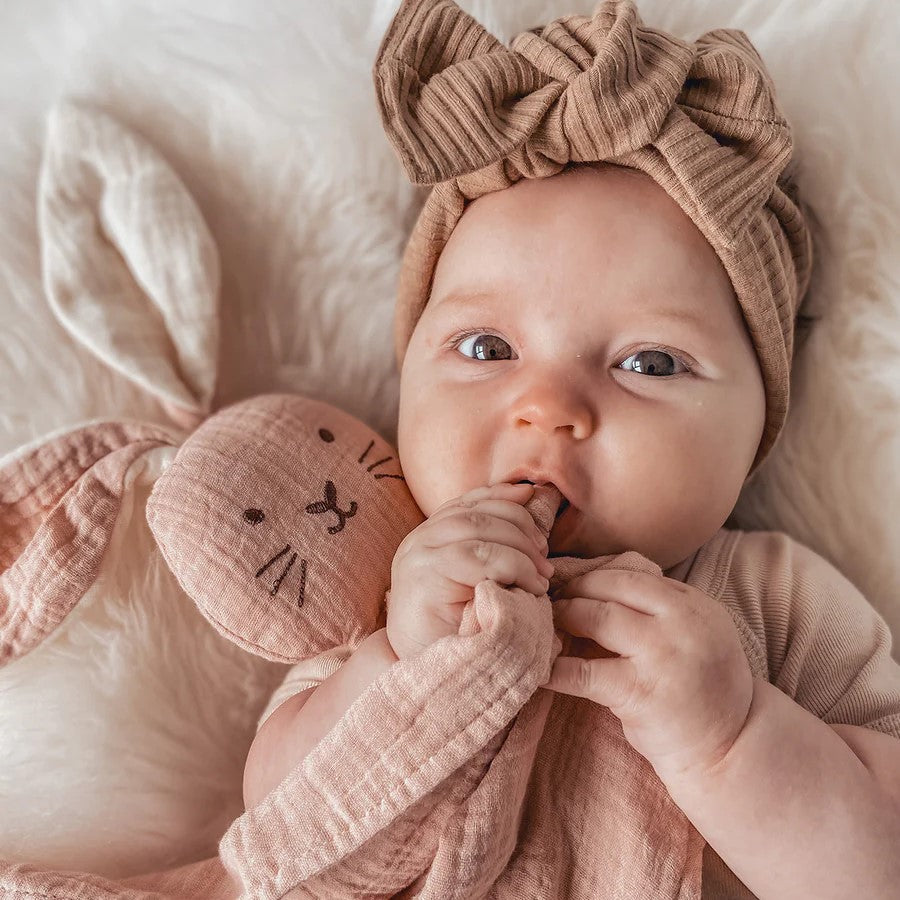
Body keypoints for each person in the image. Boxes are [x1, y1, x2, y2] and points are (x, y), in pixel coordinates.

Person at [244, 1, 900, 895]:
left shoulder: (777, 602)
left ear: (757, 432)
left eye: (650, 361)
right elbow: (273, 840)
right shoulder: (389, 587)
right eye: (486, 349)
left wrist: (735, 738)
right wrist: (397, 669)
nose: (548, 408)